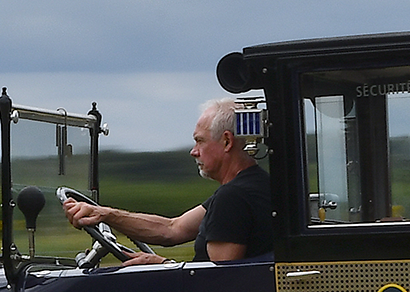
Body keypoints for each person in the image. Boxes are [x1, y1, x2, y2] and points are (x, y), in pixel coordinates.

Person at [62, 97, 272, 265]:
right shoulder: (256, 186)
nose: (193, 152)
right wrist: (105, 214)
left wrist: (163, 264)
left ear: (226, 141)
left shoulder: (233, 197)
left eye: (200, 141)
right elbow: (172, 229)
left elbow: (219, 281)